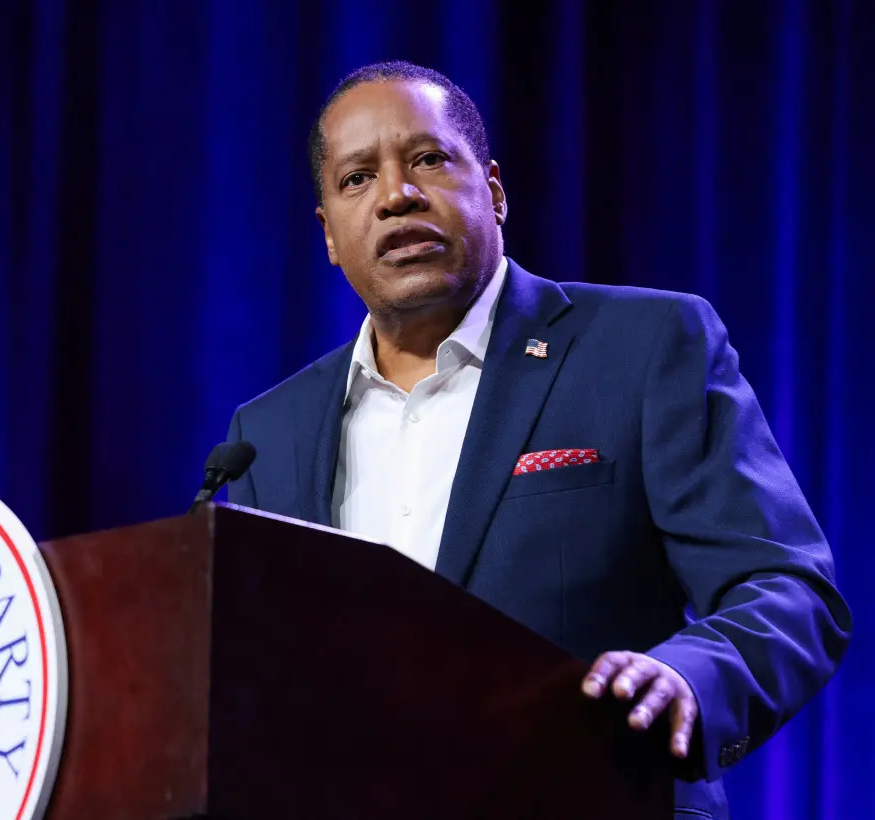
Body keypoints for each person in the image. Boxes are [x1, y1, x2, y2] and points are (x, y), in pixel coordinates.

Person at [223, 60, 849, 818]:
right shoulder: (268, 435)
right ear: (328, 233)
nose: (397, 195)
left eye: (428, 159)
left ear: (492, 189)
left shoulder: (643, 348)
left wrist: (689, 676)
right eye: (358, 179)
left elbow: (787, 589)